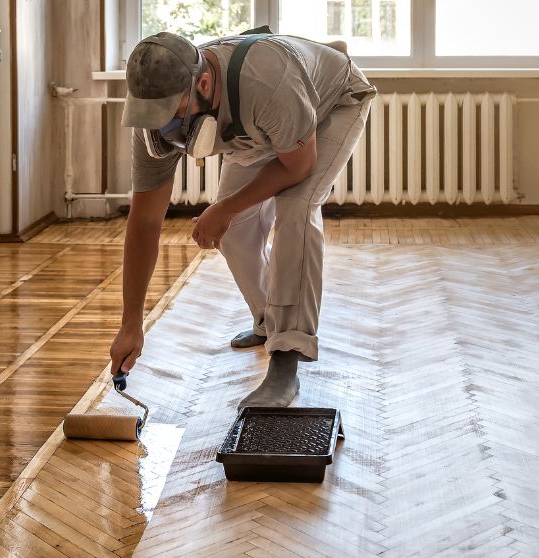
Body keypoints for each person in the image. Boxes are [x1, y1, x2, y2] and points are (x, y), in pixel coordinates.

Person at [109, 29, 376, 409]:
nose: (165, 128)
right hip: (261, 124)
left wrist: (225, 207)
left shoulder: (266, 79)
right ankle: (269, 321)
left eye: (174, 113)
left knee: (297, 208)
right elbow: (145, 223)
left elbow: (298, 167)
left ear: (202, 82)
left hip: (331, 103)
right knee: (233, 232)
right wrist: (130, 322)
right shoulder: (153, 122)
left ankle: (287, 359)